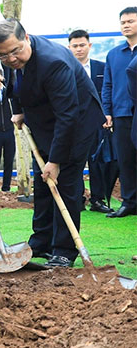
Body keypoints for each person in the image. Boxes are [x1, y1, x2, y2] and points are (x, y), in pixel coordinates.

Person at [0, 19, 104, 267]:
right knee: (42, 184)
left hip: (76, 123)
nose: (11, 58)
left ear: (27, 38)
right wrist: (18, 111)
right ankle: (41, 241)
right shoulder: (8, 55)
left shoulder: (54, 63)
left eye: (15, 51)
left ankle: (64, 250)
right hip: (43, 122)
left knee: (64, 183)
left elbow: (68, 115)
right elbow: (14, 85)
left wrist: (55, 160)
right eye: (4, 54)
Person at [68, 29, 116, 213]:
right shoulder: (64, 68)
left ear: (89, 46)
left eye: (82, 45)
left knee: (98, 162)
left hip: (98, 123)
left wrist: (107, 114)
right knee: (74, 162)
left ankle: (97, 199)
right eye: (75, 46)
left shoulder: (102, 68)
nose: (79, 49)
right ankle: (77, 199)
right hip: (73, 124)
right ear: (69, 47)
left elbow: (107, 92)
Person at [101, 7, 137, 218]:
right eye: (123, 22)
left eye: (131, 21)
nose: (126, 25)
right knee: (125, 159)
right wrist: (107, 111)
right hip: (122, 113)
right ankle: (130, 202)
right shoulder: (114, 54)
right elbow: (108, 85)